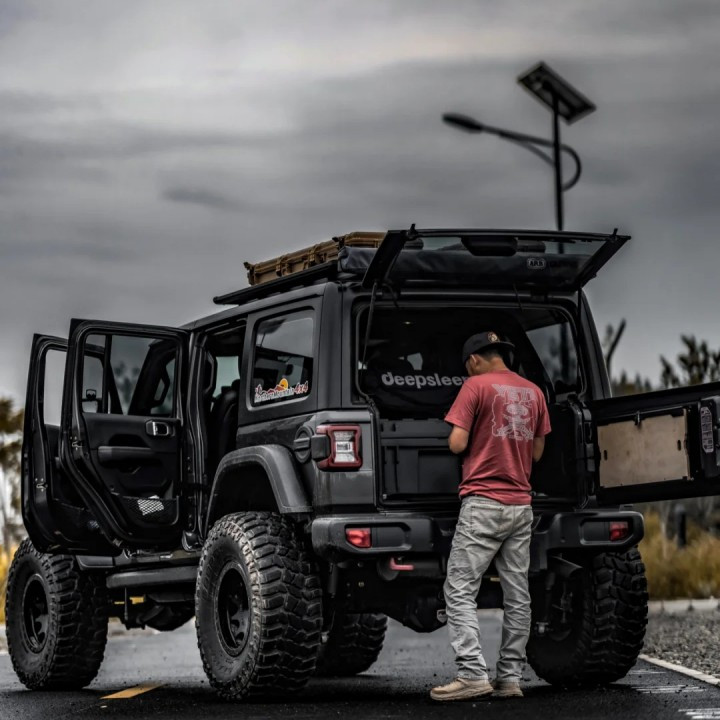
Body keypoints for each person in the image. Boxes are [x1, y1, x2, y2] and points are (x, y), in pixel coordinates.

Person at [430, 330, 551, 702]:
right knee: (517, 595)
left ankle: (471, 674)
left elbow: (457, 443)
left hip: (483, 503)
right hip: (520, 505)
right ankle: (510, 679)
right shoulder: (534, 392)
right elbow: (537, 453)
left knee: (459, 589)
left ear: (473, 360)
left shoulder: (475, 387)